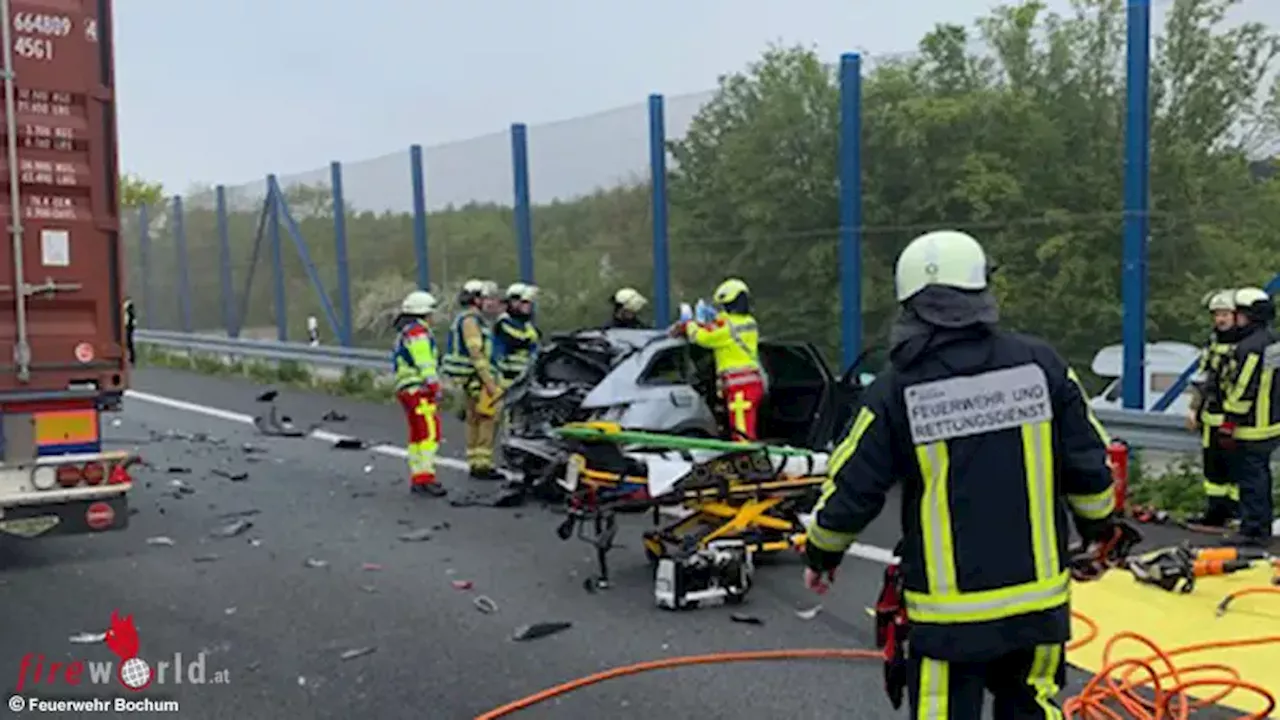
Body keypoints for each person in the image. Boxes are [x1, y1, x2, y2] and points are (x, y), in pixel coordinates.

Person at [803, 230, 1119, 718]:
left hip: (949, 615)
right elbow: (1089, 465)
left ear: (908, 304)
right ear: (981, 295)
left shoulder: (895, 390)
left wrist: (822, 553)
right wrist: (1101, 529)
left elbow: (853, 487)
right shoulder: (1042, 365)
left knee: (943, 708)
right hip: (1038, 603)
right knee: (1032, 702)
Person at [1218, 286, 1279, 547]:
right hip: (1272, 422)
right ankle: (1260, 524)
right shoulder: (1273, 342)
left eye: (1241, 314)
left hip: (1251, 425)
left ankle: (1253, 529)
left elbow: (1243, 388)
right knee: (1261, 475)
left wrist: (1229, 422)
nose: (1237, 319)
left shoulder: (1249, 347)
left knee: (1251, 477)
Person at [676, 278, 766, 441]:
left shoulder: (726, 329)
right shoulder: (749, 322)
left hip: (740, 386)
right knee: (744, 426)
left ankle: (745, 460)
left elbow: (702, 338)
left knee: (741, 432)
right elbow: (724, 326)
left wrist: (689, 323)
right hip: (751, 382)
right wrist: (713, 319)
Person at [1185, 289, 1241, 528]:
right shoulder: (1212, 342)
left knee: (1235, 468)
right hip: (1211, 416)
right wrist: (1192, 409)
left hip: (1235, 418)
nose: (1220, 319)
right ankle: (1216, 513)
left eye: (1225, 314)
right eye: (1217, 314)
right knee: (1213, 468)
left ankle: (1238, 514)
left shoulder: (1246, 344)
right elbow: (1203, 377)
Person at [442, 279, 503, 480]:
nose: (489, 302)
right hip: (476, 378)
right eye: (485, 298)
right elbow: (476, 353)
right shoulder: (471, 321)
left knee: (474, 418)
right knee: (487, 418)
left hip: (469, 378)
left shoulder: (466, 318)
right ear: (476, 299)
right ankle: (482, 464)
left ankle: (476, 461)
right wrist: (490, 383)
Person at [392, 290, 446, 497]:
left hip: (406, 389)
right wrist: (434, 386)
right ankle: (426, 477)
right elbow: (424, 363)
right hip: (418, 389)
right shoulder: (419, 333)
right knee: (429, 433)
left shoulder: (406, 331)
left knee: (416, 433)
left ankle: (418, 476)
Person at [492, 283, 541, 387]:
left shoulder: (527, 325)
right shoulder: (504, 323)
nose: (528, 306)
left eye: (529, 303)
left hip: (526, 380)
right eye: (524, 302)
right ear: (513, 302)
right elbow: (519, 340)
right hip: (507, 382)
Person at [122, 296, 137, 366]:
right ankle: (131, 359)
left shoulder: (128, 306)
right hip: (127, 326)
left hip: (128, 326)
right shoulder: (128, 306)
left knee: (129, 343)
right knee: (129, 343)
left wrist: (131, 326)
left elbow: (131, 317)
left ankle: (132, 359)